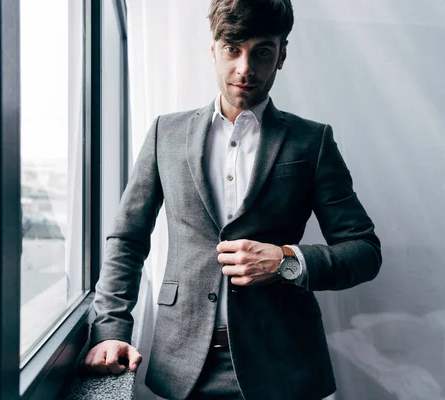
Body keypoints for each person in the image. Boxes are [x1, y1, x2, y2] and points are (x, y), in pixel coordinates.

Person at [83, 0, 382, 399]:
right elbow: (128, 239)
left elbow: (364, 251)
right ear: (213, 49)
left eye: (262, 51)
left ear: (282, 55)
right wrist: (110, 331)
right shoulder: (164, 134)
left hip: (284, 366)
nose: (245, 68)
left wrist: (287, 261)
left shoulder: (313, 141)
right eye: (232, 48)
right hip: (182, 367)